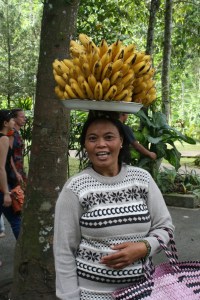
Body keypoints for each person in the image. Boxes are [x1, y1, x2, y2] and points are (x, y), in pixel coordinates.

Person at [53, 112, 174, 300]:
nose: (101, 144)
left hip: (143, 291)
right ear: (85, 145)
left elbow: (165, 227)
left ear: (121, 141)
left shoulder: (142, 179)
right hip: (92, 295)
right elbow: (63, 250)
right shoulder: (75, 188)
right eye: (92, 138)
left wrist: (144, 247)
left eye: (109, 137)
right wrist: (69, 297)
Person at [0, 109, 21, 240]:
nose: (14, 122)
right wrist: (6, 193)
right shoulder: (3, 139)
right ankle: (25, 255)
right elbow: (1, 167)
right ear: (5, 123)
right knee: (16, 220)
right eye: (12, 119)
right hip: (2, 186)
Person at [8, 108, 27, 184]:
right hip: (11, 172)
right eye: (22, 117)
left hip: (18, 169)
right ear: (14, 118)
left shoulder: (17, 133)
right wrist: (16, 172)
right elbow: (8, 154)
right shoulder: (11, 133)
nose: (24, 119)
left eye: (25, 117)